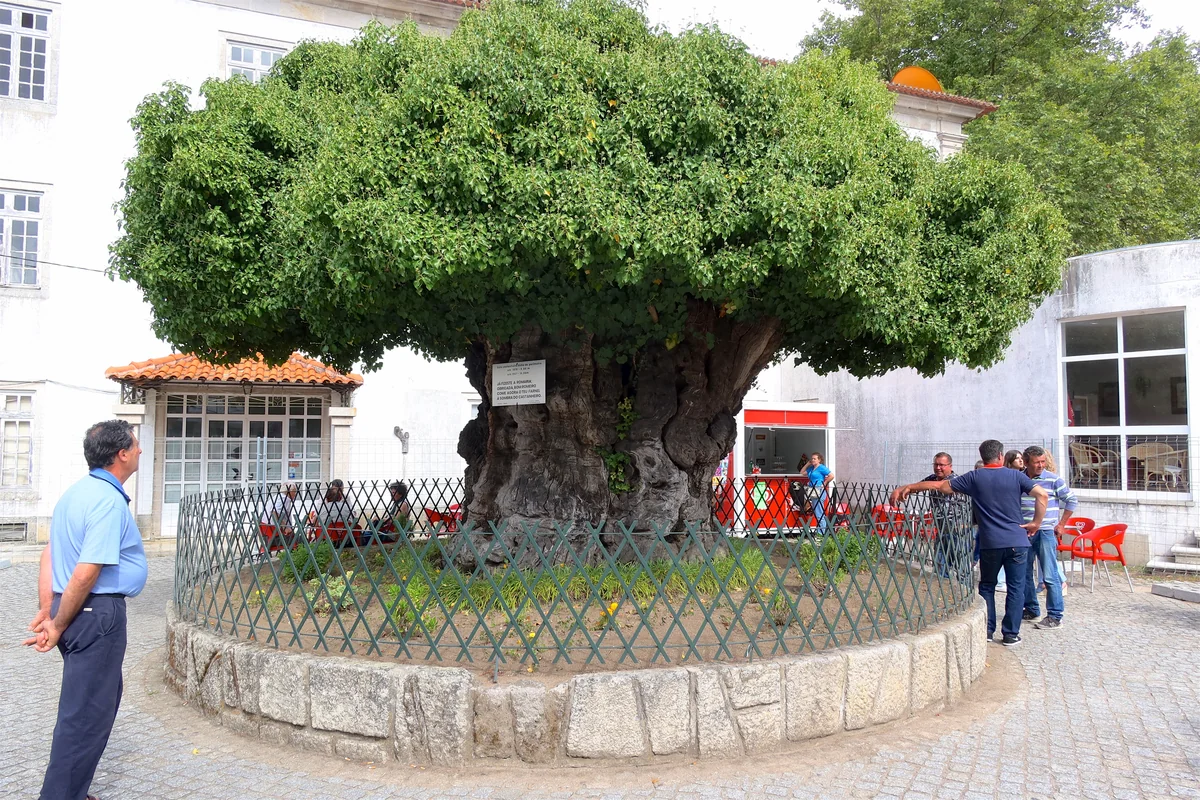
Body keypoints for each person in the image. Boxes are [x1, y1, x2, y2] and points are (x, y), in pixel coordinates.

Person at [24, 420, 148, 800]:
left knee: (91, 707)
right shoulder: (107, 500)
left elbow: (50, 555)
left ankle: (72, 792)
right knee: (84, 718)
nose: (141, 450)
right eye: (136, 445)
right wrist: (57, 624)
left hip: (78, 611)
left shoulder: (75, 494)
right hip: (96, 614)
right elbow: (86, 572)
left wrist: (49, 609)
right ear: (121, 454)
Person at [891, 439, 1047, 646]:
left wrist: (909, 487)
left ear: (983, 456)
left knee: (987, 586)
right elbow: (1042, 495)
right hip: (1017, 541)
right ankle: (1011, 634)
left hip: (991, 542)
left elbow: (940, 486)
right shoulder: (1016, 476)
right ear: (1001, 456)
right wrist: (1036, 523)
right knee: (1016, 588)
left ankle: (987, 631)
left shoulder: (974, 477)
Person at [1021, 446, 1077, 630]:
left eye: (1043, 462)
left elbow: (1071, 500)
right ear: (1026, 462)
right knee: (1024, 572)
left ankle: (1055, 616)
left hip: (1045, 531)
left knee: (1050, 574)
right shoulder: (1019, 479)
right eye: (1036, 462)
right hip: (1025, 532)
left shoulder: (1053, 480)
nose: (1040, 465)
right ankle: (1031, 609)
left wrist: (1061, 524)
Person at [922, 453, 960, 578]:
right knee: (940, 557)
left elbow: (940, 486)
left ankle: (961, 585)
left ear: (950, 466)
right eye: (936, 464)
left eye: (942, 465)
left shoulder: (955, 479)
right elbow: (919, 486)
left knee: (959, 559)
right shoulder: (932, 478)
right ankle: (943, 582)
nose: (938, 468)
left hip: (957, 527)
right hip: (941, 525)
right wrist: (905, 490)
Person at [259, 482, 299, 551]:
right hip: (276, 536)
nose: (295, 494)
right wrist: (285, 527)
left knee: (296, 538)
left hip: (268, 536)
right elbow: (274, 512)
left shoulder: (277, 497)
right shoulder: (285, 499)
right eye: (294, 491)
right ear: (289, 491)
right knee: (300, 540)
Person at [802, 452, 834, 533]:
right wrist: (807, 464)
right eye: (812, 458)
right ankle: (820, 531)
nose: (813, 460)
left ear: (819, 460)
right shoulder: (811, 468)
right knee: (817, 512)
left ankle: (822, 532)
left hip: (819, 489)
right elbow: (802, 473)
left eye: (814, 459)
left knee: (819, 512)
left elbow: (831, 475)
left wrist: (825, 483)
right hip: (812, 490)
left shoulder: (821, 468)